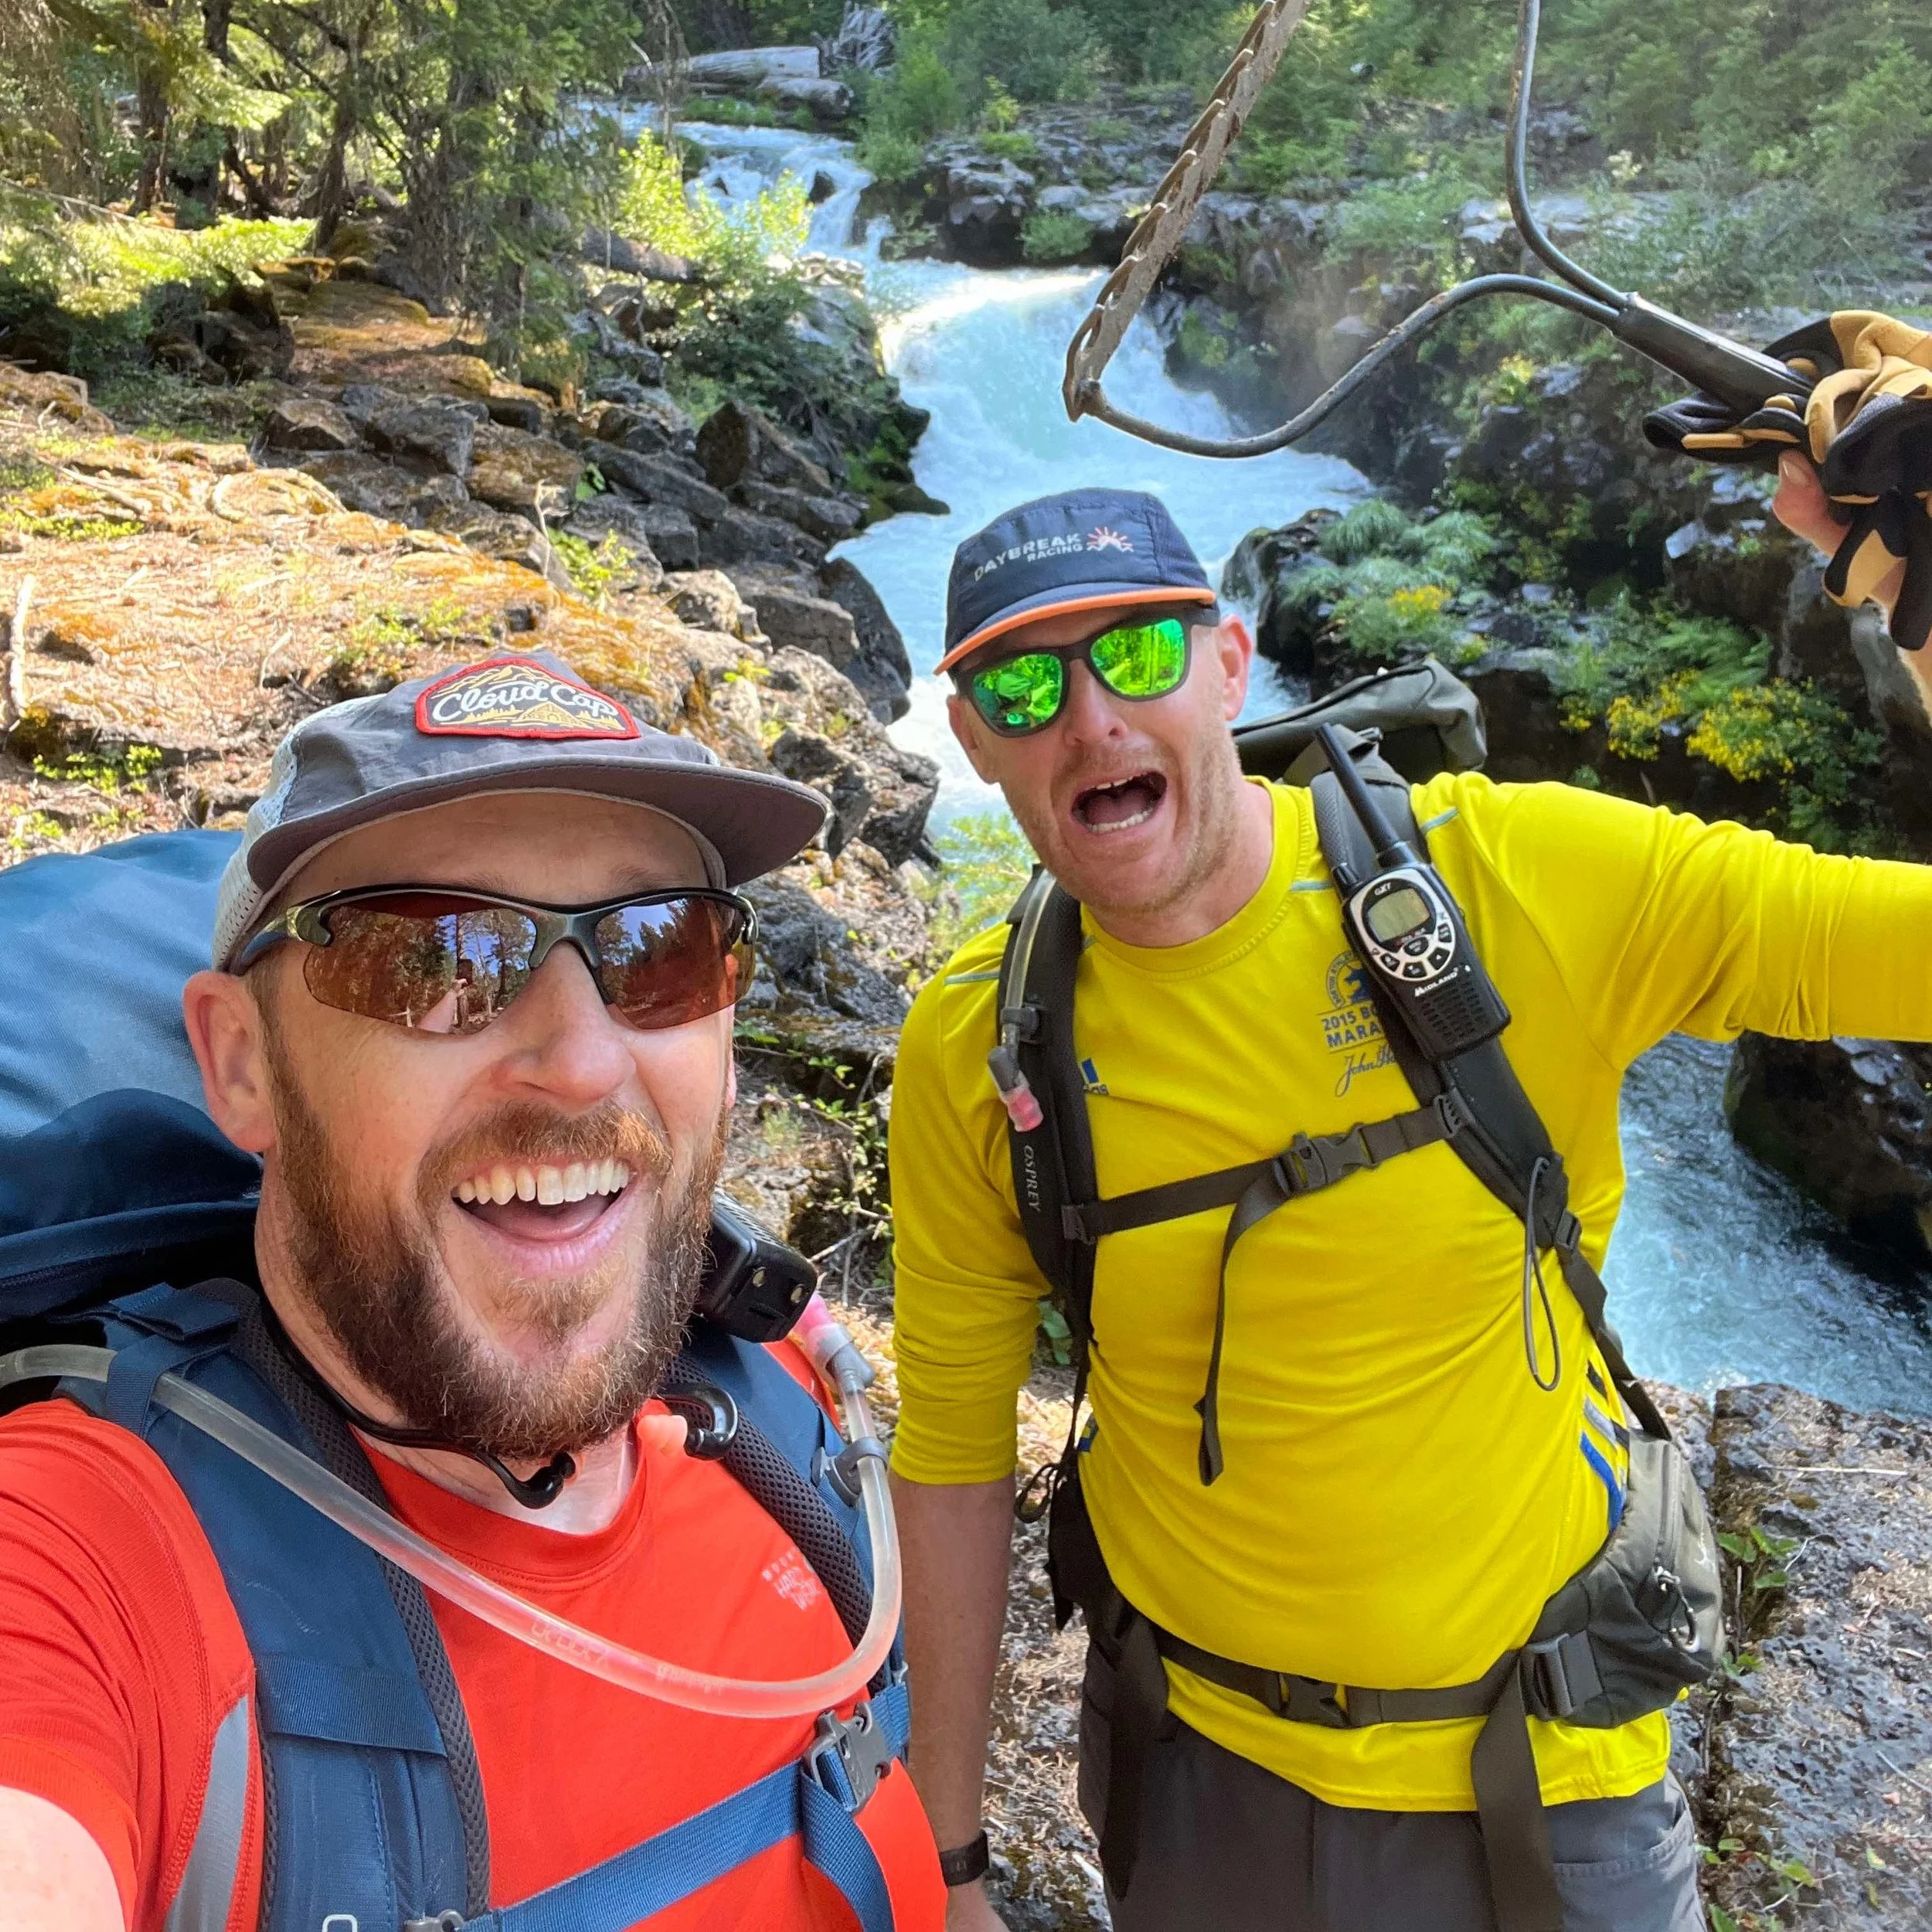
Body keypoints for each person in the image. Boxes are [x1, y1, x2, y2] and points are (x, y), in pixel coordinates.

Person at [886, 467, 1925, 1931]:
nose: (1093, 720)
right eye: (1022, 685)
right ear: (974, 742)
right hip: (1195, 1785)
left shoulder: (1514, 882)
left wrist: (1915, 590)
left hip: (1552, 1784)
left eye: (1135, 654)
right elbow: (949, 1448)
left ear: (1228, 661)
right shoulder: (980, 1051)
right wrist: (947, 1858)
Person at [0, 650, 945, 1932]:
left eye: (659, 950)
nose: (581, 1059)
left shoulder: (768, 1397)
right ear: (242, 1065)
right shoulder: (91, 1550)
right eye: (436, 960)